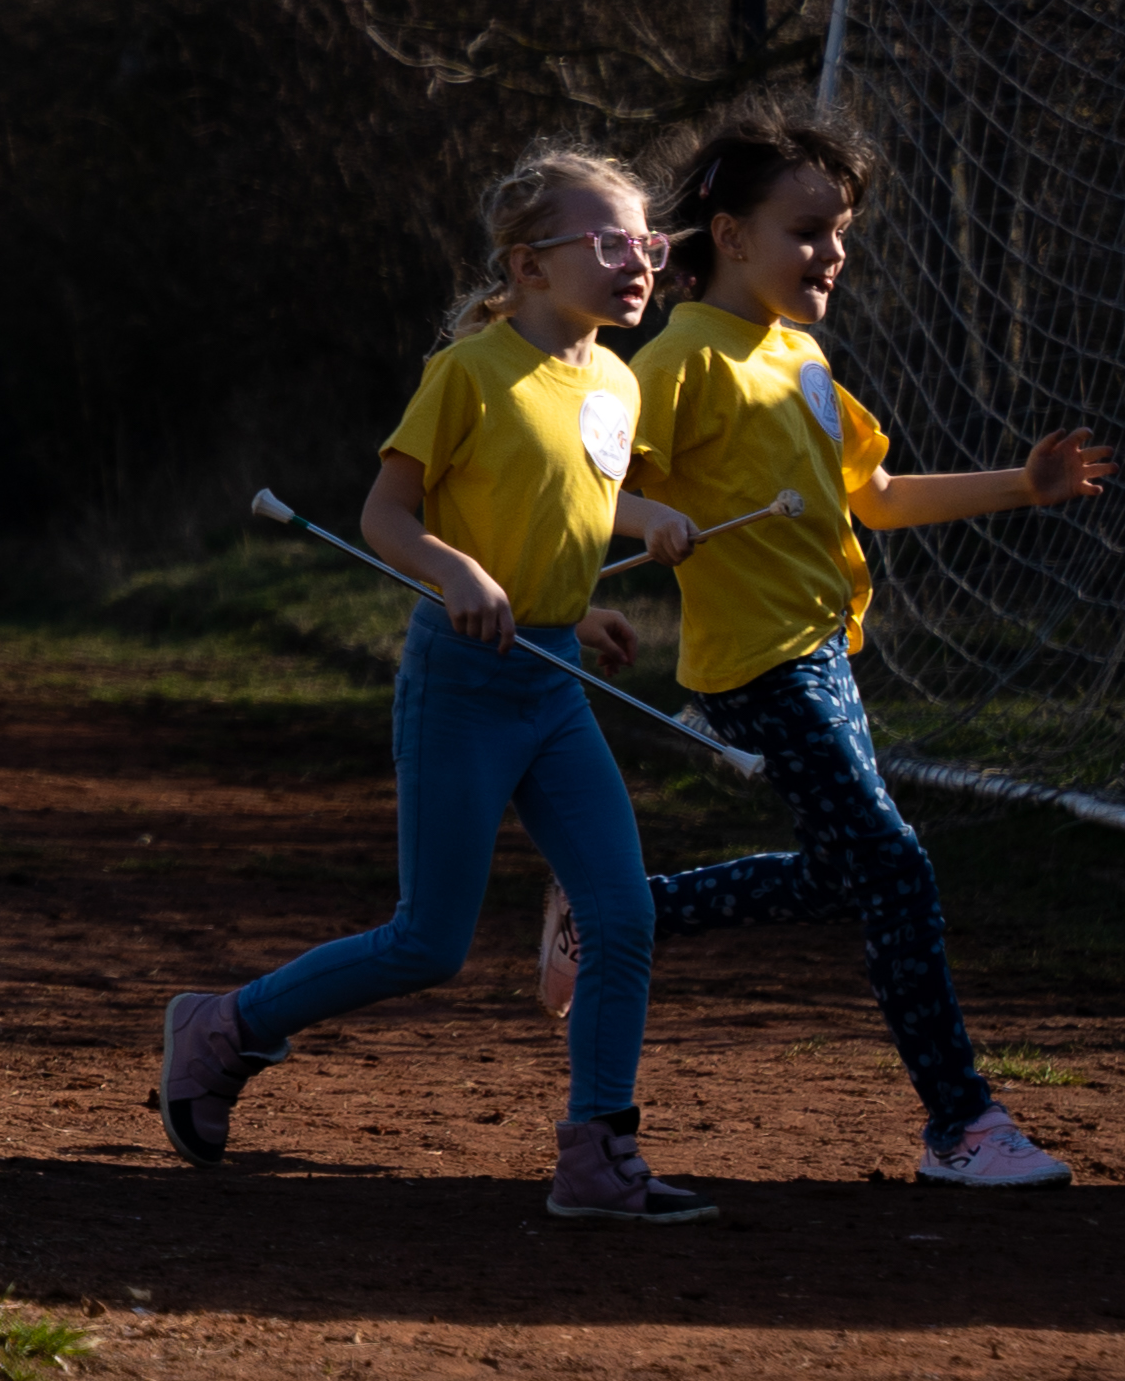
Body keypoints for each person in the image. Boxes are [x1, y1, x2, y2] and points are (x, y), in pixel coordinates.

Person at [156, 146, 704, 1221]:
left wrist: (576, 599)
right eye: (608, 242)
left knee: (621, 913)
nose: (636, 261)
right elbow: (387, 519)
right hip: (459, 683)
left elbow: (560, 507)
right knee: (429, 942)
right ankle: (223, 1025)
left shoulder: (618, 380)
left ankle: (596, 1152)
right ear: (529, 265)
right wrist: (456, 570)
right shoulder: (468, 372)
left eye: (646, 242)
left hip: (549, 682)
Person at [570, 114, 1114, 1187]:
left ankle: (618, 911)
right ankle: (961, 1122)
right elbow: (586, 490)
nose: (833, 254)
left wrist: (1023, 484)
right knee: (899, 869)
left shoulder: (802, 358)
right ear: (728, 233)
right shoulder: (677, 359)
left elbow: (877, 496)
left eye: (843, 232)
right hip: (756, 669)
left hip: (826, 655)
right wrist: (626, 541)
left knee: (846, 874)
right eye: (808, 229)